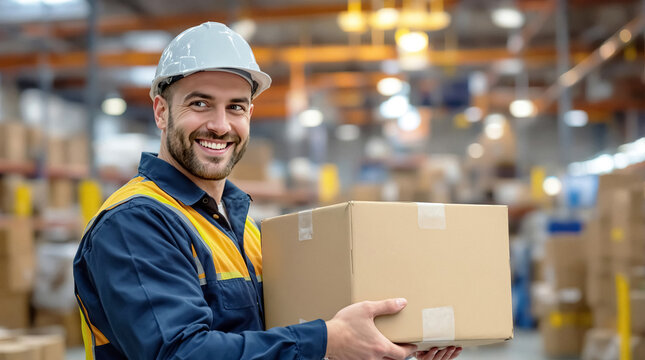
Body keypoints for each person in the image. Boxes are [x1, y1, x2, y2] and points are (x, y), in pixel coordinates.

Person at [73, 21, 462, 360]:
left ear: (250, 115)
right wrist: (327, 339)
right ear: (161, 111)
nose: (221, 125)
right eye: (201, 103)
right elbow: (181, 353)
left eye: (236, 107)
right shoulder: (135, 223)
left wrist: (380, 346)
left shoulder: (244, 227)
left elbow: (273, 343)